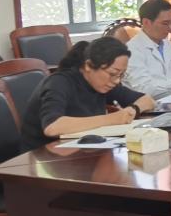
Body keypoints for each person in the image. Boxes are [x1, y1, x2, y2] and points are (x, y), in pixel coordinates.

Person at [20, 37, 156, 152]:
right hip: (42, 157)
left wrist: (133, 110)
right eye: (113, 73)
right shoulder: (59, 82)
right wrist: (113, 119)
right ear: (88, 66)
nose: (116, 81)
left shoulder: (104, 83)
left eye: (121, 75)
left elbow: (147, 100)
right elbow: (52, 127)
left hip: (83, 151)